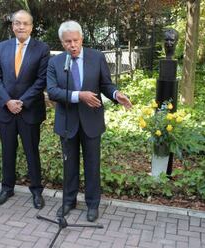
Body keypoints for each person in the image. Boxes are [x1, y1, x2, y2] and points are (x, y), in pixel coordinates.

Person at [46, 20, 132, 222]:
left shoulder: (96, 57)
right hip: (67, 122)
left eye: (75, 40)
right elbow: (52, 91)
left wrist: (116, 94)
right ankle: (69, 201)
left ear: (82, 38)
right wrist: (78, 95)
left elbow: (105, 84)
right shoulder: (55, 63)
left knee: (92, 165)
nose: (72, 45)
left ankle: (93, 205)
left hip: (91, 121)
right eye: (67, 42)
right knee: (70, 165)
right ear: (62, 42)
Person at [0, 10, 49, 209]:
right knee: (7, 151)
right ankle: (7, 188)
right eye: (17, 23)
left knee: (32, 151)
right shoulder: (2, 47)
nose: (21, 27)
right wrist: (8, 101)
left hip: (29, 110)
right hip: (6, 110)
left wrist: (21, 102)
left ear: (32, 26)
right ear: (12, 26)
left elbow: (41, 80)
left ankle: (36, 191)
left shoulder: (42, 49)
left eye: (25, 23)